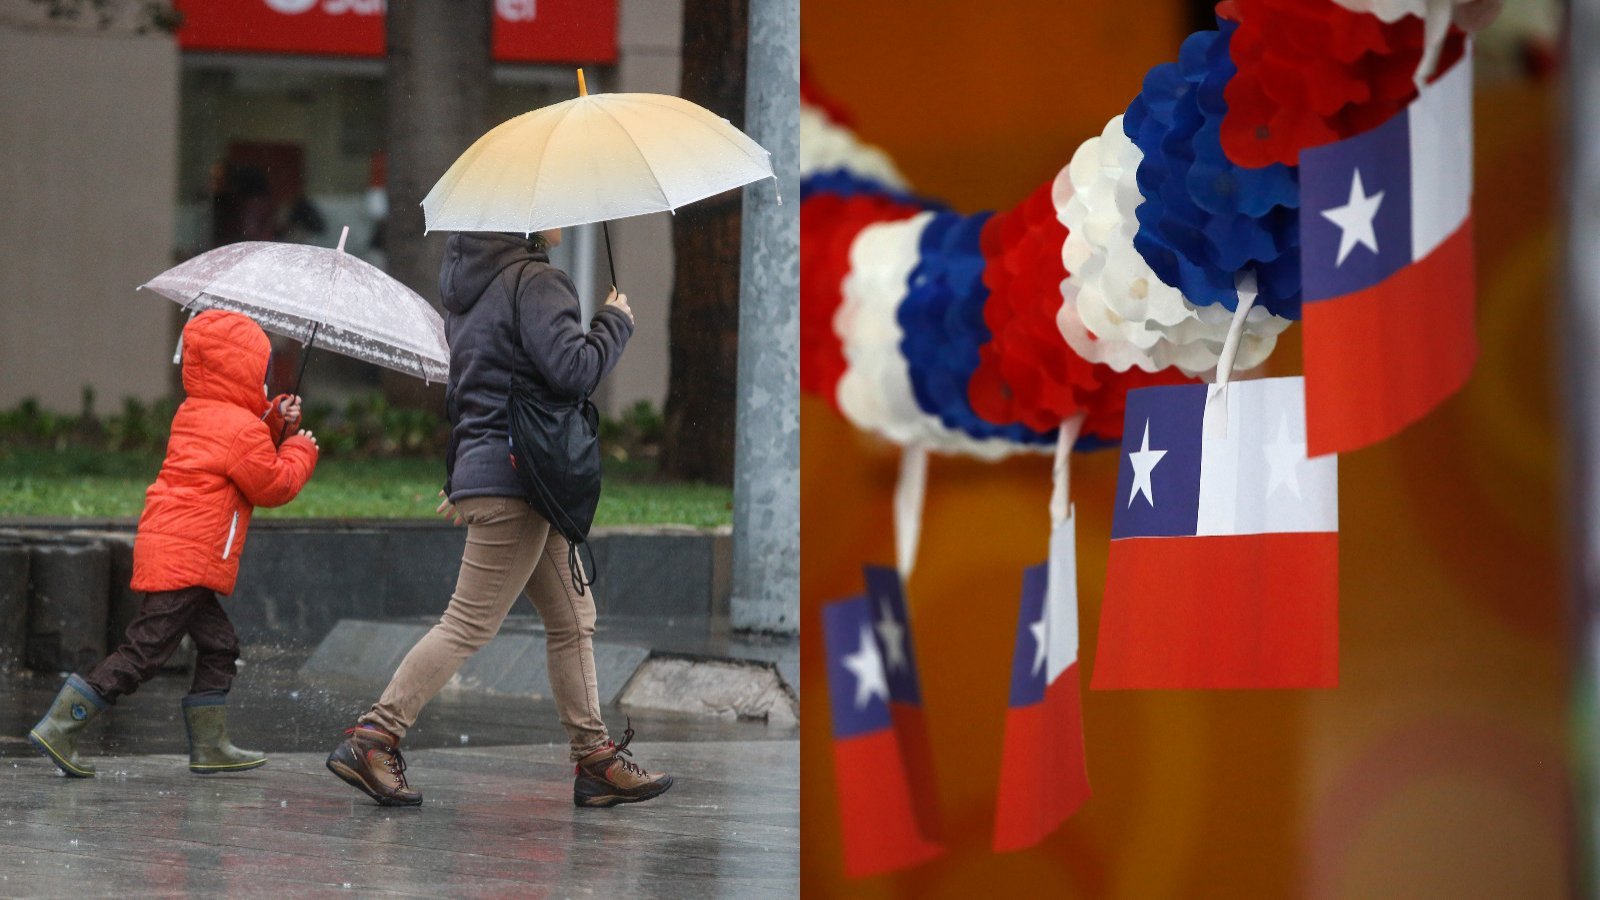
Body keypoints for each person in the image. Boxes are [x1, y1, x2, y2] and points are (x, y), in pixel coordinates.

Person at [325, 229, 670, 809]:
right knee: (468, 624)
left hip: (508, 475)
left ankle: (595, 761)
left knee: (572, 617)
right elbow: (572, 370)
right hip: (521, 477)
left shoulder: (471, 290)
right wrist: (615, 322)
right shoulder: (537, 281)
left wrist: (461, 473)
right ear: (528, 221)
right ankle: (376, 735)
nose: (565, 221)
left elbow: (466, 390)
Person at [27, 310, 320, 777]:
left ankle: (210, 746)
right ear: (243, 370)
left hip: (174, 549)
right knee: (143, 653)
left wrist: (274, 416)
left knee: (220, 645)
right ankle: (62, 725)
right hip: (191, 557)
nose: (264, 381)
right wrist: (299, 448)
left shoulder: (197, 412)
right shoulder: (240, 430)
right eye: (261, 373)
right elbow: (272, 484)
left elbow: (240, 437)